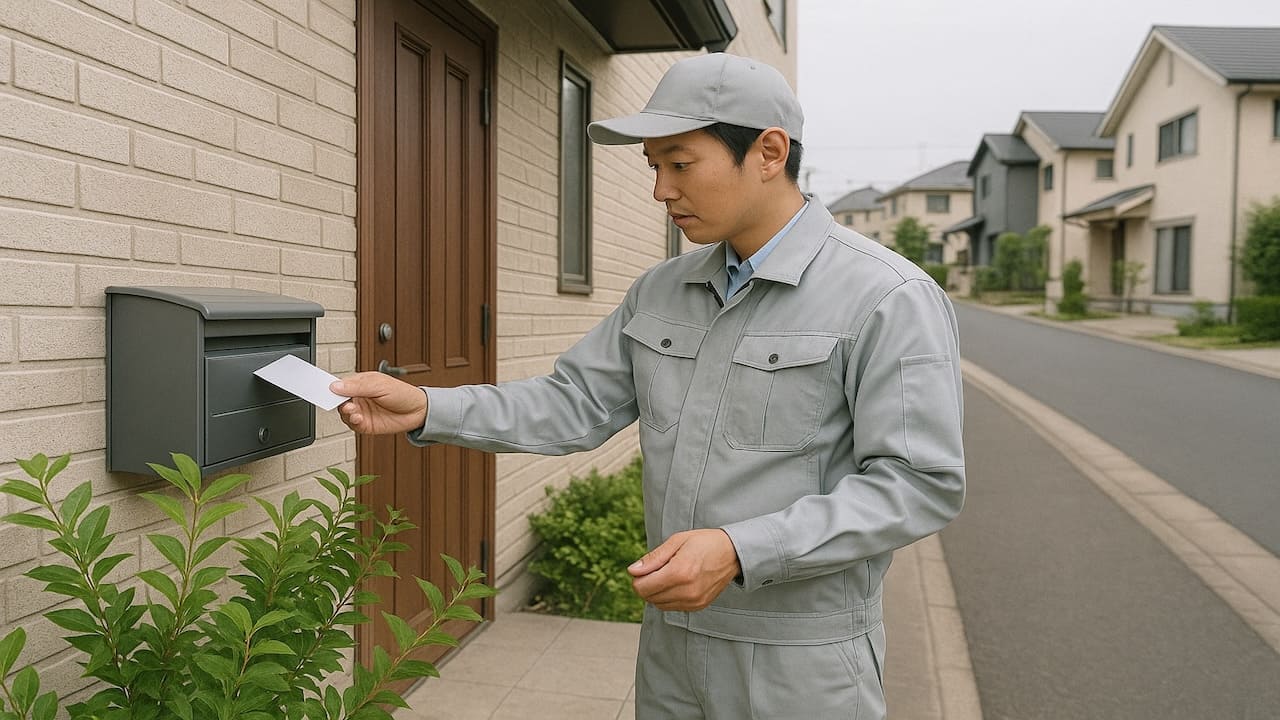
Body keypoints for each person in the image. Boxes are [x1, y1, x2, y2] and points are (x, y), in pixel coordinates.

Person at [332, 52, 964, 720]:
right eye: (653, 166)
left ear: (769, 151)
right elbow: (572, 401)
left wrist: (741, 550)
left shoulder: (887, 296)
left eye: (680, 163)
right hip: (671, 650)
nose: (661, 191)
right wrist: (430, 406)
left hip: (803, 664)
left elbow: (918, 483)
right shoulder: (662, 291)